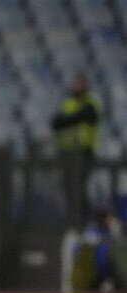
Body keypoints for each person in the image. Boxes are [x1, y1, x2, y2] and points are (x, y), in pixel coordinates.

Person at [51, 73, 101, 227]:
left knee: (80, 189)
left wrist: (70, 119)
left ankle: (85, 222)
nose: (77, 86)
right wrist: (72, 118)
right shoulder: (68, 102)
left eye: (80, 83)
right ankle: (72, 223)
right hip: (67, 154)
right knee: (68, 190)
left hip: (85, 153)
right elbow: (56, 122)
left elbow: (85, 116)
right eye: (75, 83)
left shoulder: (92, 102)